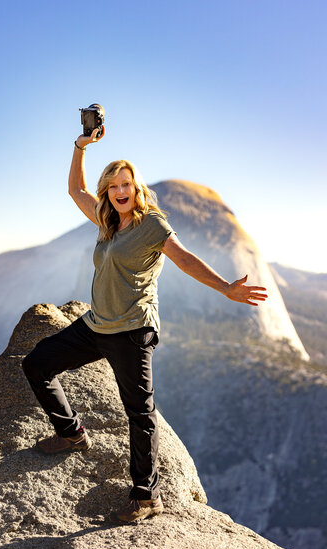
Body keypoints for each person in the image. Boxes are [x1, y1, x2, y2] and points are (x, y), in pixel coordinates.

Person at [22, 125, 268, 524]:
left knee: (139, 413)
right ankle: (72, 433)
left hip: (132, 330)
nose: (121, 191)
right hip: (97, 325)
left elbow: (185, 259)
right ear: (108, 191)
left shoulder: (151, 225)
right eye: (114, 185)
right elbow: (74, 190)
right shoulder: (106, 219)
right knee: (36, 364)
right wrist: (79, 147)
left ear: (137, 190)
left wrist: (225, 287)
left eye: (127, 185)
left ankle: (146, 496)